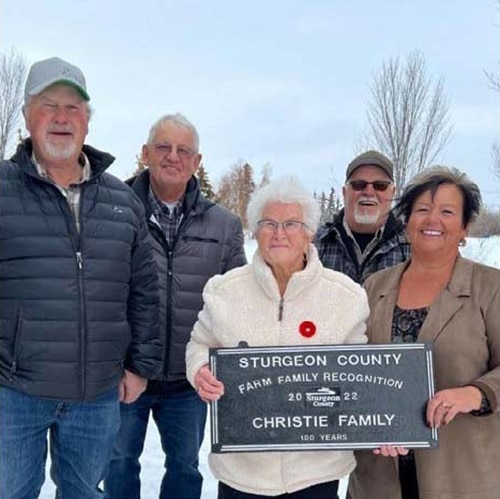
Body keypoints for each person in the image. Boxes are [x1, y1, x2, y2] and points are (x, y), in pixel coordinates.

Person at [0, 57, 162, 499]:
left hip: (97, 394)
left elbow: (144, 291)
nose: (61, 118)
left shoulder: (121, 200)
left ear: (87, 122)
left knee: (84, 492)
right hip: (15, 392)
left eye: (73, 108)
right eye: (48, 105)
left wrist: (138, 366)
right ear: (27, 116)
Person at [185, 178, 370, 498]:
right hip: (242, 468)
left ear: (310, 232)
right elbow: (200, 343)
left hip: (315, 472)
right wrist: (200, 369)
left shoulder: (346, 297)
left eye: (291, 224)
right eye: (268, 223)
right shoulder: (224, 290)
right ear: (255, 231)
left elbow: (361, 374)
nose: (279, 232)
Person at [105, 113, 247, 499]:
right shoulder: (112, 211)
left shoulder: (224, 225)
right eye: (164, 147)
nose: (173, 157)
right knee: (117, 463)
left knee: (185, 467)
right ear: (145, 153)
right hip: (128, 371)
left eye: (184, 150)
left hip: (189, 379)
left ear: (197, 162)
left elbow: (238, 299)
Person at [347, 166, 500, 499]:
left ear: (464, 227)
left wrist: (475, 394)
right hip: (379, 477)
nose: (433, 220)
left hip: (461, 474)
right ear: (407, 221)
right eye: (422, 210)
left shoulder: (491, 287)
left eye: (447, 211)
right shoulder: (374, 287)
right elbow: (352, 366)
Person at [315, 150, 410, 284]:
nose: (369, 192)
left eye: (380, 186)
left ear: (392, 192)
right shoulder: (314, 245)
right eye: (359, 185)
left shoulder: (412, 247)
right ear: (344, 192)